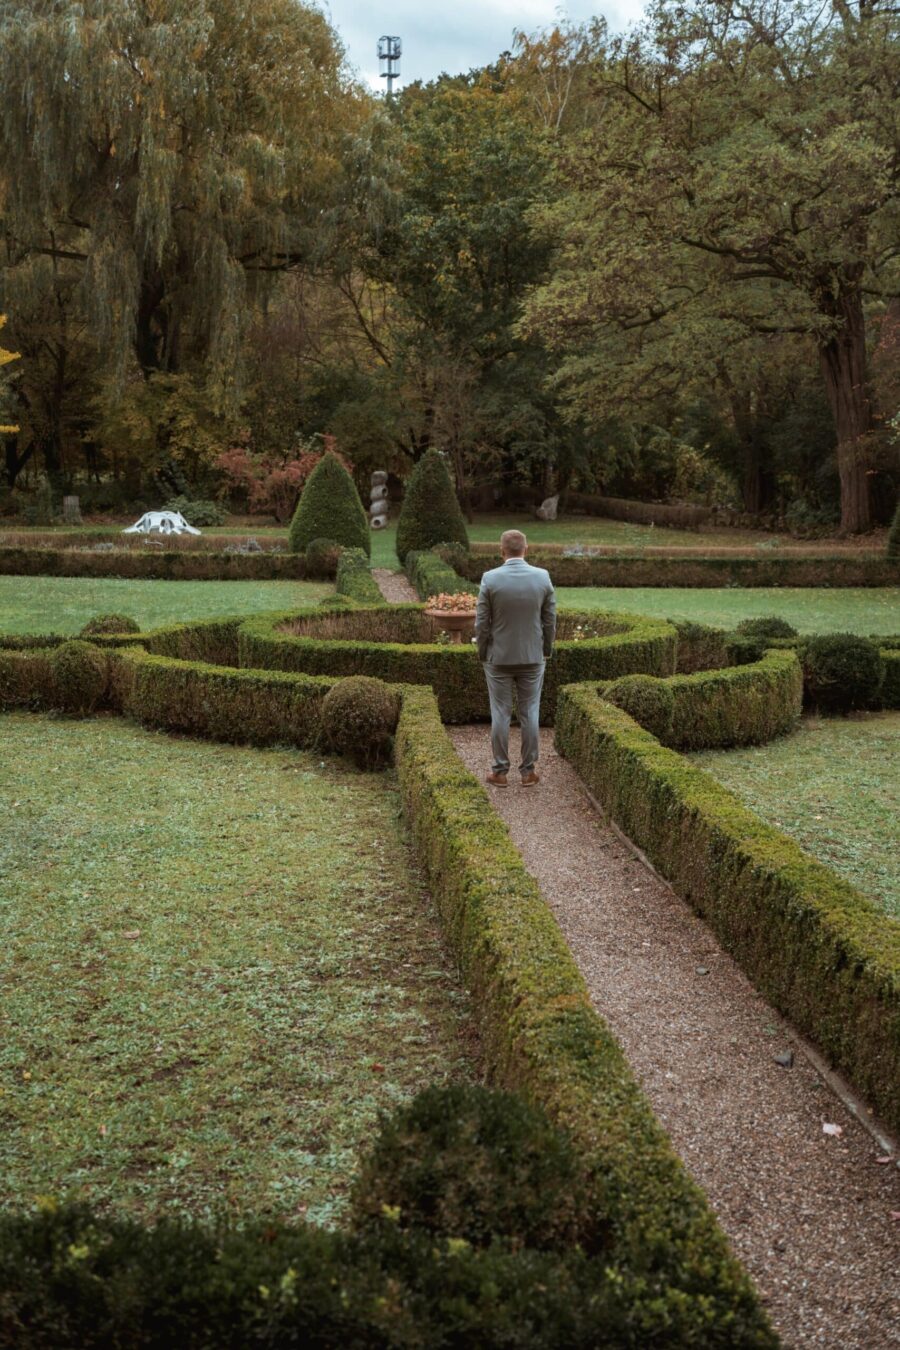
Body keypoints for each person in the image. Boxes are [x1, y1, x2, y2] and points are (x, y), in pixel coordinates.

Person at [474, 529, 556, 787]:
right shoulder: (542, 577)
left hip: (498, 657)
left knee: (500, 712)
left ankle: (499, 772)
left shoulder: (490, 579)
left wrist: (483, 651)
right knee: (530, 712)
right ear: (526, 549)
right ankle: (528, 771)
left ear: (502, 551)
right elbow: (550, 620)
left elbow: (481, 623)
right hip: (532, 657)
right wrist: (546, 649)